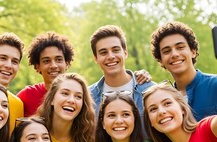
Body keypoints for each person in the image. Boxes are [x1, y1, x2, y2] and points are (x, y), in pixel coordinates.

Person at [18, 31, 152, 117]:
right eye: (46, 61)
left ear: (67, 63)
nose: (53, 65)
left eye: (59, 59)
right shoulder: (88, 95)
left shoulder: (82, 97)